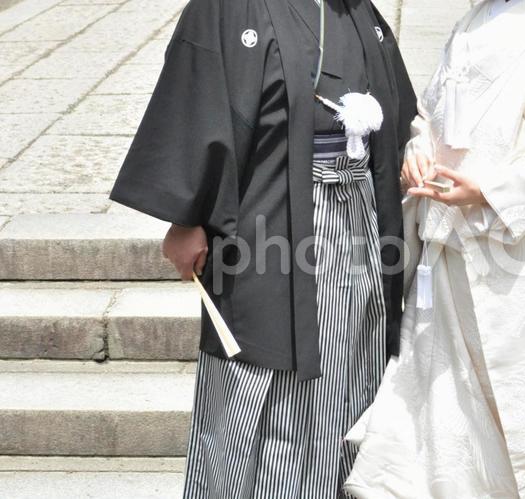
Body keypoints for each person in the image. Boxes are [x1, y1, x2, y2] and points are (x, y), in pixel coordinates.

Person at [108, 0, 416, 497]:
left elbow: (401, 118)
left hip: (356, 220)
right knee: (255, 384)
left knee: (351, 372)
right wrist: (188, 217)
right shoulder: (230, 7)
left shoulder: (355, 10)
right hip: (267, 220)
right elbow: (201, 91)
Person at [343, 0, 525, 497]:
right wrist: (418, 151)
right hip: (449, 236)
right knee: (441, 392)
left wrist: (489, 192)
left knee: (514, 394)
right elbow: (430, 112)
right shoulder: (474, 20)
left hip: (512, 244)